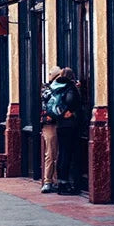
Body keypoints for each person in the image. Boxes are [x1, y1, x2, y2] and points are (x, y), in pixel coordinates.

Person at [48, 67, 81, 196]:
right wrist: (71, 110)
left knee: (62, 153)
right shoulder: (70, 87)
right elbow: (72, 101)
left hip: (60, 125)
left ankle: (61, 183)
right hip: (70, 125)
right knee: (70, 155)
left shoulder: (56, 87)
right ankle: (67, 184)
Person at [39, 65, 62, 193]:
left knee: (58, 153)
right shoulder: (48, 89)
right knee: (51, 153)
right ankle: (48, 181)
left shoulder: (57, 87)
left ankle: (56, 180)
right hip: (50, 124)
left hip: (61, 123)